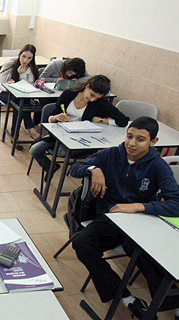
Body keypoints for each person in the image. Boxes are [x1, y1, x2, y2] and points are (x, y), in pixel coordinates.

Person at [69, 117, 179, 319]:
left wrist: (139, 206)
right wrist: (94, 169)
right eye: (129, 136)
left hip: (141, 221)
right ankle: (125, 297)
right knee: (82, 243)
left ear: (153, 142)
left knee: (146, 254)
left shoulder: (156, 165)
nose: (132, 143)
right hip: (110, 220)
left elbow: (176, 203)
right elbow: (74, 168)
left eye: (140, 139)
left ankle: (170, 303)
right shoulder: (112, 154)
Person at [30, 75, 130, 173]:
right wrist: (56, 117)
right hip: (60, 133)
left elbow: (123, 120)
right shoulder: (68, 94)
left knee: (61, 152)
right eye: (92, 95)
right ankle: (52, 167)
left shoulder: (100, 103)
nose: (92, 100)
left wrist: (100, 120)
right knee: (34, 150)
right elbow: (50, 119)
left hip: (81, 138)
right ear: (87, 86)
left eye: (96, 98)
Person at [0, 44, 41, 141]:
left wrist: (23, 75)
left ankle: (14, 136)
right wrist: (7, 88)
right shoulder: (10, 64)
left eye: (29, 58)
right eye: (23, 56)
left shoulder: (31, 68)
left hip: (21, 96)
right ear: (19, 55)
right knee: (20, 102)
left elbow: (28, 86)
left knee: (20, 102)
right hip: (4, 93)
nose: (25, 60)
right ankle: (29, 128)